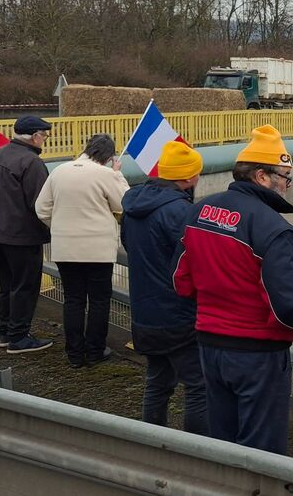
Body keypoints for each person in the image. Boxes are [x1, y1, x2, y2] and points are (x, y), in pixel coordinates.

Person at [172, 124, 293, 454]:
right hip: (258, 355)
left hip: (209, 346)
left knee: (223, 445)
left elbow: (181, 280)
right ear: (261, 177)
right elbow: (291, 308)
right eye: (284, 175)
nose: (287, 184)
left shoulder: (199, 212)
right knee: (262, 453)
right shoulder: (275, 231)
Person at [120, 141, 207, 434]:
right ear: (188, 177)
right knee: (199, 387)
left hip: (145, 312)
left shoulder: (133, 205)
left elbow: (129, 247)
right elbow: (193, 262)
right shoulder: (181, 213)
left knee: (158, 381)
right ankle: (197, 452)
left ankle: (153, 442)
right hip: (178, 314)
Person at [36, 134, 128, 367]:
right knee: (98, 300)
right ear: (108, 157)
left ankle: (74, 354)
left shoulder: (59, 171)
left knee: (73, 300)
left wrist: (58, 226)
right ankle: (95, 350)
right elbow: (124, 202)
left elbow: (42, 208)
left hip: (65, 246)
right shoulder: (106, 174)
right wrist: (117, 174)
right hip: (97, 248)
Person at [0, 115, 55, 354]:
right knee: (25, 286)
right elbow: (41, 204)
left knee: (6, 285)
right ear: (35, 136)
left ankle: (4, 332)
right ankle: (19, 337)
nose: (44, 140)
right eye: (44, 135)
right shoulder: (32, 163)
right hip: (22, 235)